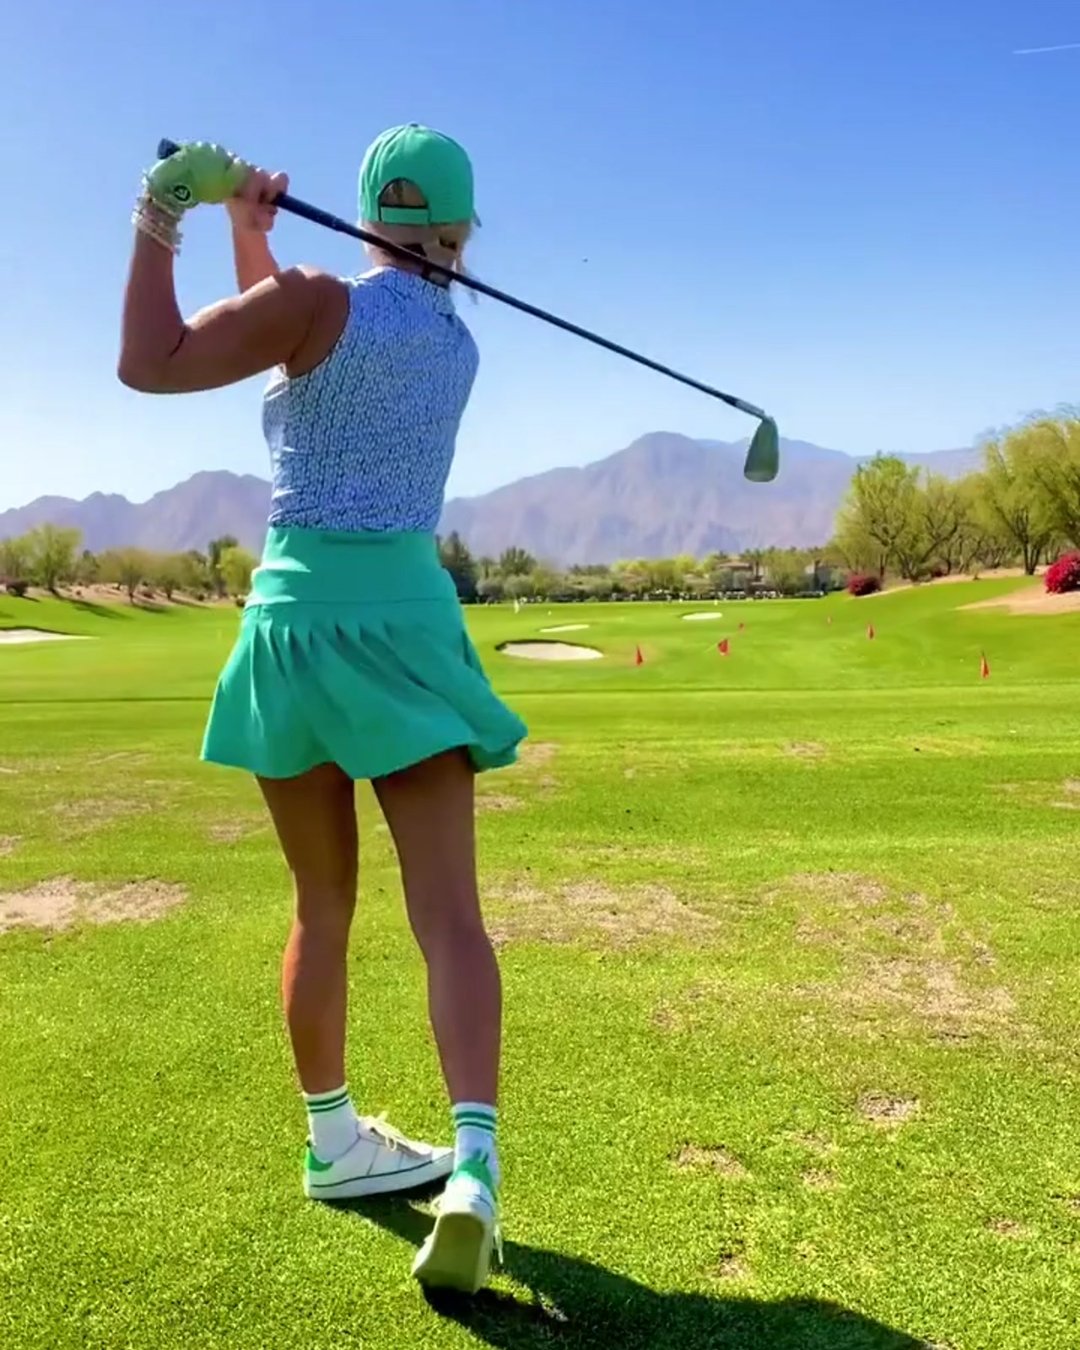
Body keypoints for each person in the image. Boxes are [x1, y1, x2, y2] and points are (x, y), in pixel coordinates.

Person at [118, 127, 525, 1295]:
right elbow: (303, 340)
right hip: (403, 625)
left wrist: (162, 212)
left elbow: (154, 362)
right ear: (460, 229)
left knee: (323, 903)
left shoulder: (311, 303)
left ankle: (334, 1137)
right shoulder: (457, 343)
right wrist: (257, 234)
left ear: (363, 213)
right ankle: (477, 1168)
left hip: (293, 627)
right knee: (449, 917)